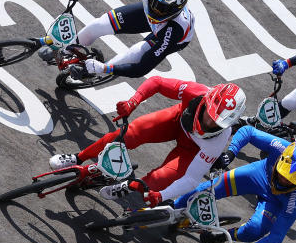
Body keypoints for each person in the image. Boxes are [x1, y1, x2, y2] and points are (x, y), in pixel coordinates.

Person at [47, 76, 246, 205]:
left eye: (216, 124)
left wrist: (161, 196)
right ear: (207, 100)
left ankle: (129, 186)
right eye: (208, 115)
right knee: (128, 134)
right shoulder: (197, 91)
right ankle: (78, 157)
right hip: (176, 121)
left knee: (158, 181)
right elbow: (157, 82)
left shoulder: (218, 141)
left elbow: (192, 179)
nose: (210, 122)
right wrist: (133, 102)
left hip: (191, 149)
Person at [177, 125, 296, 243]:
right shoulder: (281, 147)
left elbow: (276, 236)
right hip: (258, 175)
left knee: (255, 229)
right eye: (282, 173)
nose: (282, 180)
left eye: (289, 181)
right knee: (210, 188)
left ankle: (221, 236)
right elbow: (248, 131)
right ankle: (173, 205)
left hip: (275, 202)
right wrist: (231, 153)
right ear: (283, 158)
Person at [37, 0, 194, 78]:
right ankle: (66, 49)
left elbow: (141, 69)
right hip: (149, 18)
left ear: (176, 8)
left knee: (135, 54)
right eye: (153, 2)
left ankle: (98, 70)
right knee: (98, 25)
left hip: (166, 32)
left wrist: (105, 69)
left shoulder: (174, 31)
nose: (155, 9)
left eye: (162, 8)